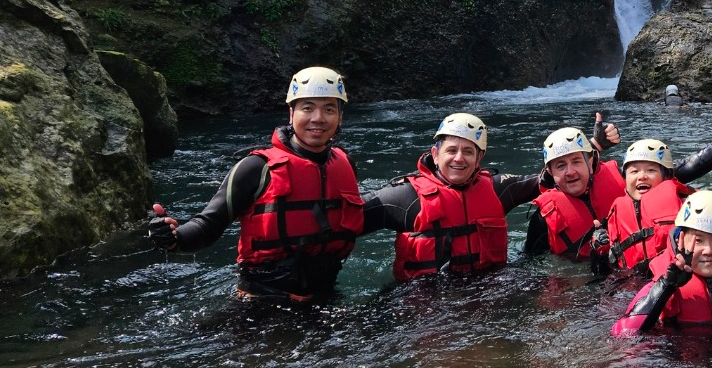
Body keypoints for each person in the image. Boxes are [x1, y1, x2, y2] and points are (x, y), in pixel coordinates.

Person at [147, 67, 364, 305]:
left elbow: (354, 217)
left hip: (324, 298)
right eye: (307, 107)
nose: (318, 118)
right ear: (291, 114)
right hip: (261, 302)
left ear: (340, 117)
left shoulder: (345, 163)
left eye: (329, 109)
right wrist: (174, 237)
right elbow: (207, 225)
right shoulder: (255, 168)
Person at [361, 112, 541, 281]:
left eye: (468, 152)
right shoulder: (406, 197)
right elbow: (347, 216)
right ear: (435, 154)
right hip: (424, 300)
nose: (459, 158)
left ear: (479, 158)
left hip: (487, 287)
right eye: (451, 150)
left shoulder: (498, 189)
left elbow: (550, 180)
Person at [603, 115, 712, 275]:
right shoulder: (615, 211)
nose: (642, 176)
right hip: (628, 284)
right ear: (625, 178)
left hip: (677, 277)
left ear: (667, 177)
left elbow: (699, 161)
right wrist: (598, 254)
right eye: (634, 171)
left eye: (651, 170)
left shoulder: (688, 207)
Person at [611, 190, 712, 334]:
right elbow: (623, 332)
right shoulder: (662, 281)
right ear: (680, 241)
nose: (708, 250)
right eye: (698, 240)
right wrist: (666, 287)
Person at [523, 115, 623, 261]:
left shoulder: (625, 179)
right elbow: (531, 265)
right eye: (561, 166)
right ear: (551, 172)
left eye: (576, 162)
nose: (570, 172)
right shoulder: (542, 220)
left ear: (589, 163)